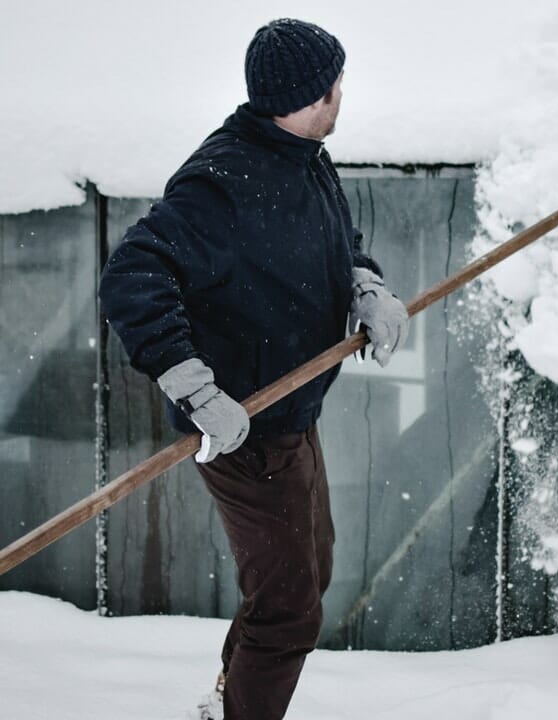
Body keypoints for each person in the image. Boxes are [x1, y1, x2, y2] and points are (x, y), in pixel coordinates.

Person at [98, 18, 408, 720]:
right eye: (334, 84)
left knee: (307, 572)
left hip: (292, 417)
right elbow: (132, 275)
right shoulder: (223, 183)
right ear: (309, 94)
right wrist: (194, 386)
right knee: (289, 609)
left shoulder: (303, 153)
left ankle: (225, 699)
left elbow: (334, 242)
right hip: (243, 434)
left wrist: (364, 284)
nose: (341, 94)